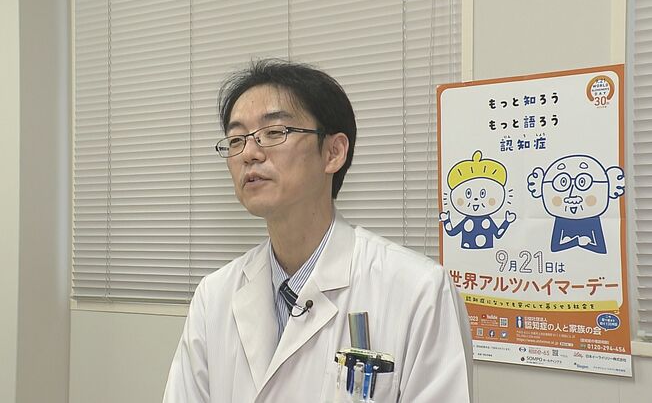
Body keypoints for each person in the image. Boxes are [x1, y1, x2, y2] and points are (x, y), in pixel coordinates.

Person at [163, 59, 473, 403]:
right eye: (236, 139)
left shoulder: (419, 290)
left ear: (333, 152)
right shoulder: (214, 296)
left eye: (274, 132)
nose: (249, 153)